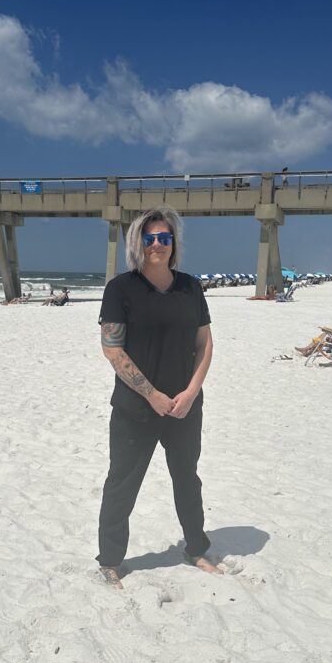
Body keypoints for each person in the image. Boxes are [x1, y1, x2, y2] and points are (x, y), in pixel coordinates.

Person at [97, 205, 216, 589]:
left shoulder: (190, 287)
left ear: (173, 243)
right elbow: (112, 349)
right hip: (136, 408)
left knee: (187, 479)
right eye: (150, 238)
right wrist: (152, 395)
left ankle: (196, 548)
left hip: (184, 406)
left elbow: (205, 343)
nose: (157, 245)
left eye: (165, 238)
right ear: (138, 243)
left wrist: (191, 391)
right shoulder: (121, 289)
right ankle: (111, 560)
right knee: (122, 482)